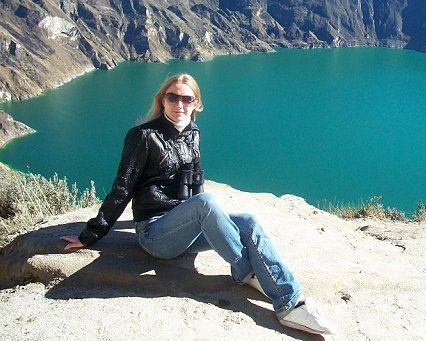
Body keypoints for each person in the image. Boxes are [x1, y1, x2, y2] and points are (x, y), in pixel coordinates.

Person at [61, 73, 337, 336]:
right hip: (155, 234)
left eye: (187, 99)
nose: (179, 104)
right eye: (173, 97)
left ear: (196, 103)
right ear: (162, 100)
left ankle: (292, 301)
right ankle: (252, 276)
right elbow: (122, 188)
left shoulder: (192, 132)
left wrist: (210, 220)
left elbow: (195, 181)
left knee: (249, 222)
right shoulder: (143, 136)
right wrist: (90, 235)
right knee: (206, 203)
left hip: (186, 227)